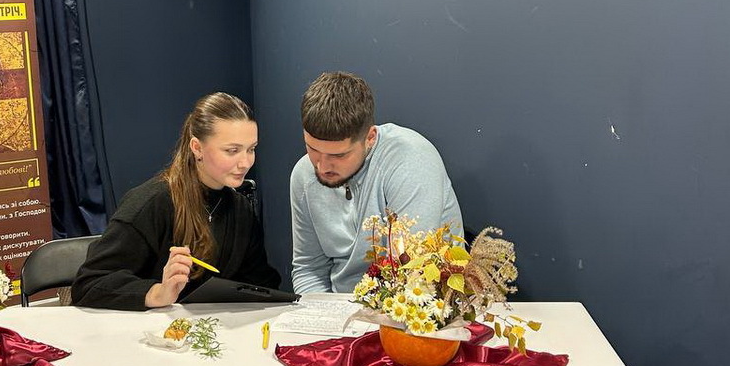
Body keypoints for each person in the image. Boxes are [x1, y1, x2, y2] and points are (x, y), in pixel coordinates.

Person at [72, 92, 281, 310]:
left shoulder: (240, 210)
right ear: (197, 148)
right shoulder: (151, 203)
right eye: (232, 151)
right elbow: (89, 284)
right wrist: (157, 293)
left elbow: (260, 283)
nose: (245, 162)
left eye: (251, 149)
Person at [290, 71, 463, 295]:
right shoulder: (304, 174)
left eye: (339, 155)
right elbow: (309, 269)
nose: (321, 167)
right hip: (339, 307)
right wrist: (321, 313)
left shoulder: (411, 159)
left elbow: (410, 270)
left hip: (419, 302)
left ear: (370, 137)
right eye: (312, 149)